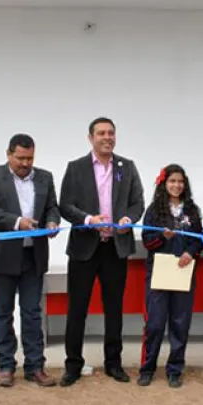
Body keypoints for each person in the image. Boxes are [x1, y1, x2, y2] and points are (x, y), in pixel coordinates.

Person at [58, 117, 144, 387]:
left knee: (114, 308)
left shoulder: (126, 167)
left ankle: (114, 363)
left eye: (111, 133)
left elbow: (137, 202)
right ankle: (73, 365)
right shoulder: (76, 168)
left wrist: (128, 219)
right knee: (77, 308)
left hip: (115, 249)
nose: (107, 137)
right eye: (101, 133)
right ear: (90, 138)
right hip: (84, 248)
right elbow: (65, 205)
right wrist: (87, 219)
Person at [0, 134, 61, 388]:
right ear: (8, 154)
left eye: (30, 158)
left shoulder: (45, 177)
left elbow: (52, 207)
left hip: (33, 256)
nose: (25, 163)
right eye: (20, 158)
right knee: (3, 312)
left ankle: (35, 366)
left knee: (33, 313)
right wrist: (17, 222)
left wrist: (52, 222)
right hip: (2, 255)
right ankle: (6, 365)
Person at [138, 164, 203, 388]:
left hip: (184, 271)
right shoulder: (155, 210)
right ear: (164, 184)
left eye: (180, 181)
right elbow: (148, 240)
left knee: (180, 322)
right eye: (172, 181)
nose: (177, 185)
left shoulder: (192, 210)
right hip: (159, 271)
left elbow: (199, 238)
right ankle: (147, 368)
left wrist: (190, 252)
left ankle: (175, 368)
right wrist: (162, 238)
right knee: (155, 322)